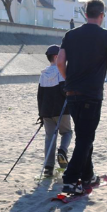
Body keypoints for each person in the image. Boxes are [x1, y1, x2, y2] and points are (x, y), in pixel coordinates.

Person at [56, 0, 107, 195]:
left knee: (84, 136)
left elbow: (60, 62)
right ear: (102, 15)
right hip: (91, 95)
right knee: (86, 138)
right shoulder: (106, 36)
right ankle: (70, 179)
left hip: (72, 93)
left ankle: (88, 176)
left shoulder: (70, 35)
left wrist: (69, 79)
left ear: (86, 14)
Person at [38, 45, 72, 177]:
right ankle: (62, 151)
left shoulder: (43, 74)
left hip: (46, 111)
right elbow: (65, 91)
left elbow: (40, 96)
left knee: (50, 137)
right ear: (56, 57)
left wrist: (41, 114)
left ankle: (48, 167)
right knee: (67, 132)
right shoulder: (61, 71)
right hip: (61, 110)